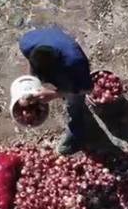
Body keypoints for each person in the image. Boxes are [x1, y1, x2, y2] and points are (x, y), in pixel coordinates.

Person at [18, 26, 93, 155]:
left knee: (74, 103)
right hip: (52, 41)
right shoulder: (26, 43)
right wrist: (32, 82)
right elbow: (31, 62)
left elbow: (87, 89)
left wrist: (55, 94)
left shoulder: (76, 62)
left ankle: (76, 135)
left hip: (71, 69)